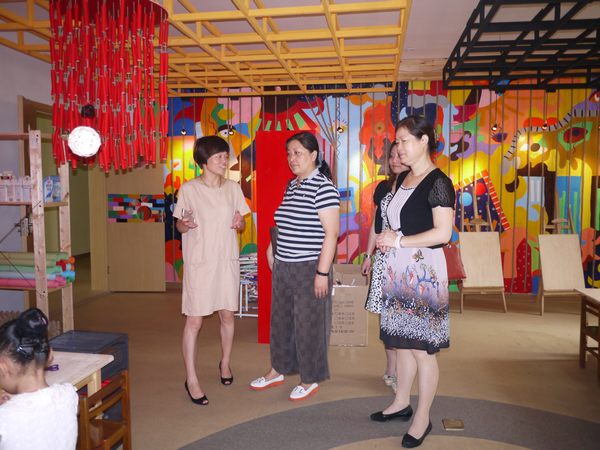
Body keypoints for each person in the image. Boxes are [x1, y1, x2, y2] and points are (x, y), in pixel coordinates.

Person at [371, 115, 455, 449]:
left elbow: (443, 233)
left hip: (422, 274)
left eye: (405, 140)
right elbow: (392, 222)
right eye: (397, 140)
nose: (399, 147)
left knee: (422, 351)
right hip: (398, 271)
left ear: (424, 141)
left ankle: (423, 417)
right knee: (403, 342)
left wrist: (399, 240)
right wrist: (388, 240)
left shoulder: (438, 182)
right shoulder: (404, 178)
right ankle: (401, 402)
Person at [250, 131, 340, 401]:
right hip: (284, 266)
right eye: (289, 153)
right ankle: (277, 370)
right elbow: (284, 222)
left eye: (298, 153)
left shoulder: (324, 188)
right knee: (281, 322)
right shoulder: (293, 185)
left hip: (309, 267)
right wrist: (271, 249)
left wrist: (321, 273)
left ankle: (309, 378)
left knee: (308, 326)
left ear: (313, 155)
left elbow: (331, 234)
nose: (292, 158)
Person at [174, 135, 251, 405]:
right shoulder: (189, 190)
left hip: (225, 261)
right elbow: (180, 226)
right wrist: (184, 224)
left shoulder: (233, 189)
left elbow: (241, 223)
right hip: (200, 263)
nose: (223, 161)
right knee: (194, 321)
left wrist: (240, 223)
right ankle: (191, 379)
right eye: (218, 156)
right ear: (204, 161)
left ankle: (225, 362)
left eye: (225, 156)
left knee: (227, 315)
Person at [362, 142, 408, 392]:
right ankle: (391, 367)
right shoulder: (382, 188)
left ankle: (402, 370)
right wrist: (368, 255)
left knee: (401, 317)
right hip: (382, 260)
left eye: (399, 155)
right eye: (391, 156)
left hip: (405, 259)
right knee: (386, 319)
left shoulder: (415, 186)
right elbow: (376, 224)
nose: (394, 160)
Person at [0, 308, 78, 450]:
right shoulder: (69, 395)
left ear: (3, 367)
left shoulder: (4, 417)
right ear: (50, 355)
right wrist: (14, 401)